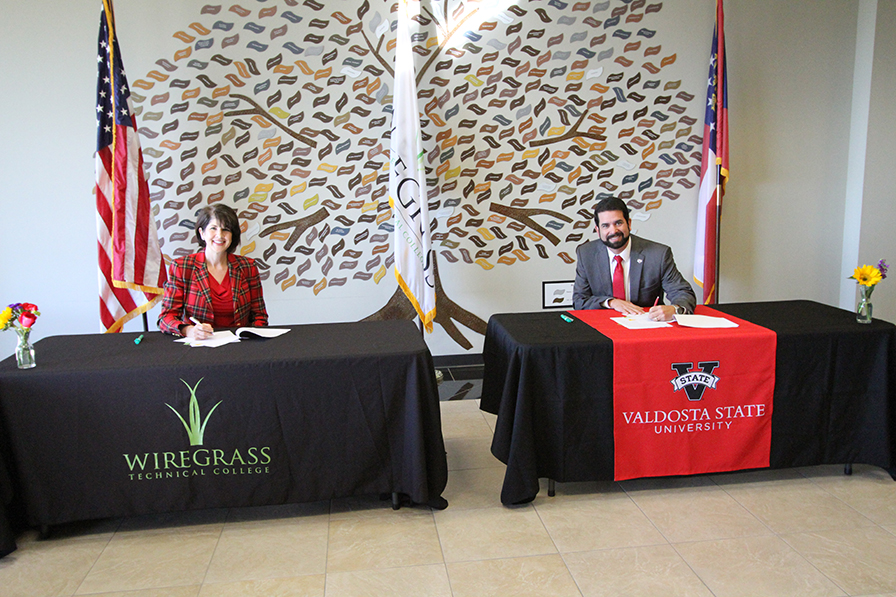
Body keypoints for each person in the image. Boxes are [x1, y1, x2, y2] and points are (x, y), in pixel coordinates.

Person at [573, 197, 696, 321]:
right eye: (606, 226)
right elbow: (579, 301)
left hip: (646, 327)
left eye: (618, 223)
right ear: (598, 230)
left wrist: (675, 309)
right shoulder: (586, 254)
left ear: (629, 223)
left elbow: (683, 293)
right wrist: (611, 303)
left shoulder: (658, 255)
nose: (613, 231)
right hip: (604, 327)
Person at [159, 204, 268, 339]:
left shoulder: (247, 267)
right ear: (202, 233)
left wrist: (253, 337)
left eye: (226, 230)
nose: (219, 235)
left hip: (241, 346)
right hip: (200, 345)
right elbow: (166, 317)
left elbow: (259, 316)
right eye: (213, 228)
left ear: (232, 235)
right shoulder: (182, 267)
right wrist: (189, 330)